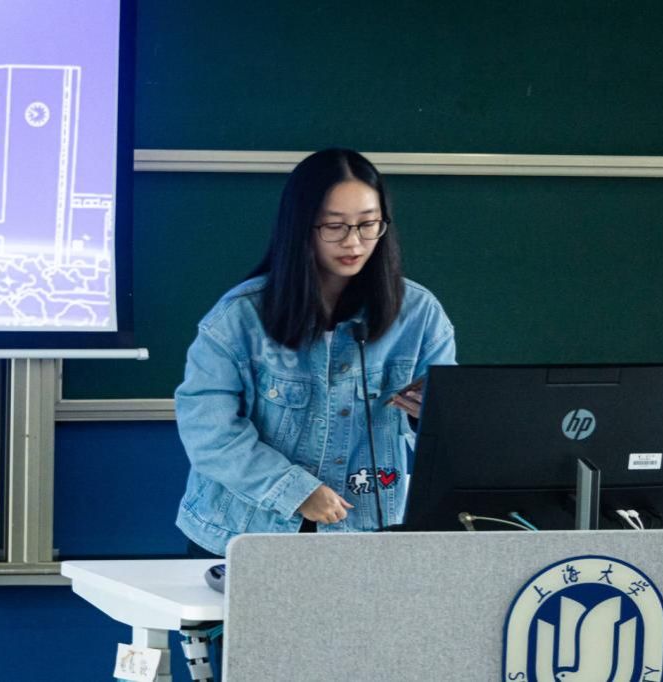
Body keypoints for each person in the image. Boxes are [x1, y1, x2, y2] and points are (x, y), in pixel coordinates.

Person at [175, 148, 456, 557]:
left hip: (365, 536)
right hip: (242, 534)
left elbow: (447, 437)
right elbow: (208, 431)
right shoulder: (239, 317)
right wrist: (293, 491)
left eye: (368, 224)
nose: (353, 242)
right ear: (301, 226)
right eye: (334, 226)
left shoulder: (420, 314)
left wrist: (425, 417)